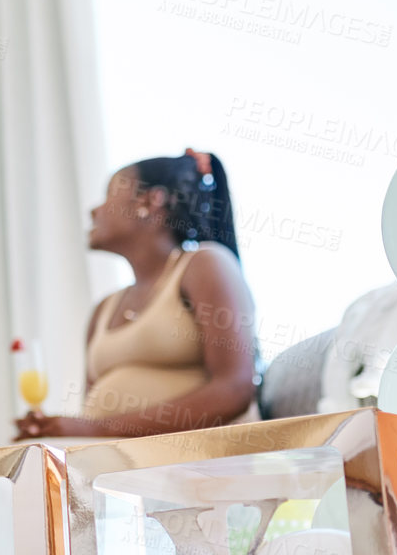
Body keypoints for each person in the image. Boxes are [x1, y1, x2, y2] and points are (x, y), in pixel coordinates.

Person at [17, 150, 257, 441]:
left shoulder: (204, 265)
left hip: (197, 468)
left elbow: (235, 389)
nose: (95, 210)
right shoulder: (103, 310)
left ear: (150, 201)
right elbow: (93, 414)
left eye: (109, 195)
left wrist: (96, 429)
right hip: (114, 472)